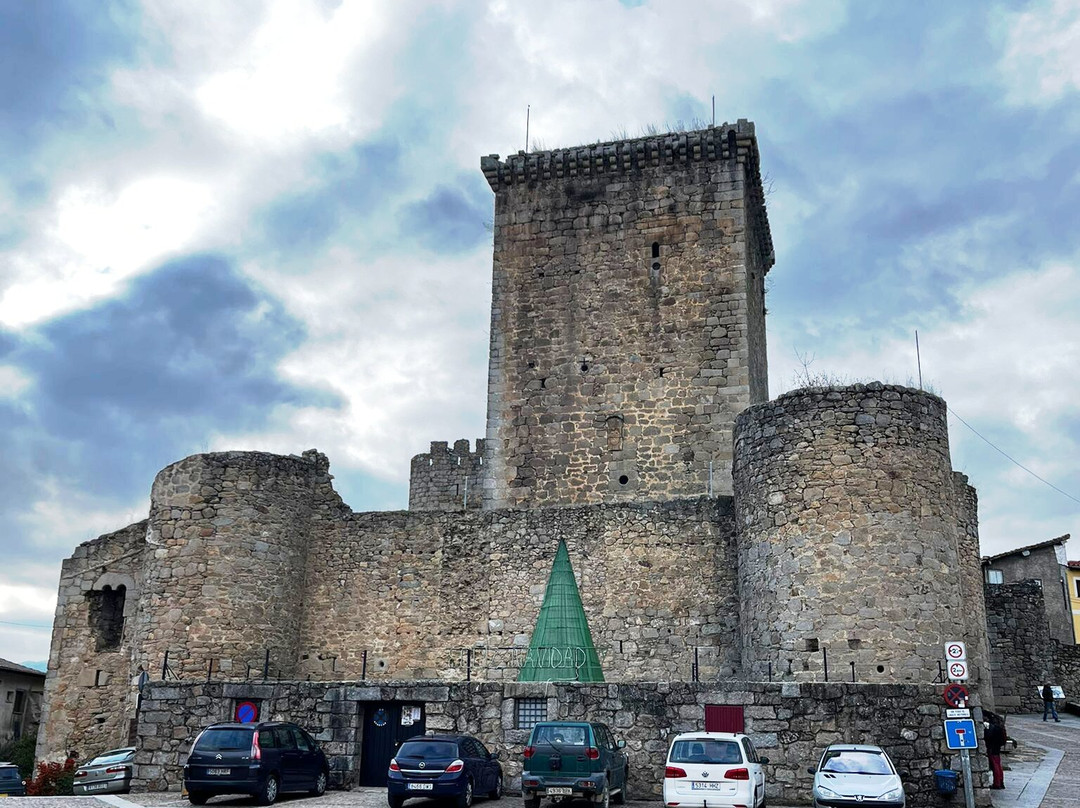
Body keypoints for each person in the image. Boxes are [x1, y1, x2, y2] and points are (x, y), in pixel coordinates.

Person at [985, 713, 1006, 789]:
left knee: (995, 766)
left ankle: (997, 783)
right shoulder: (1000, 727)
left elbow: (989, 737)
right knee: (998, 765)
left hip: (992, 748)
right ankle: (1000, 782)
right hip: (997, 747)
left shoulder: (993, 728)